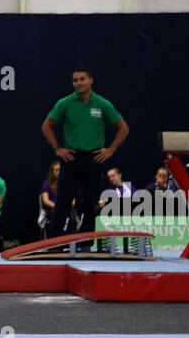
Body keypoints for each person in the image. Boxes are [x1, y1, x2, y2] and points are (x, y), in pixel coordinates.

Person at [41, 65, 129, 249]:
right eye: (75, 80)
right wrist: (58, 148)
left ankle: (86, 242)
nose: (79, 83)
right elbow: (47, 126)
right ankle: (54, 243)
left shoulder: (102, 104)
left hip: (94, 158)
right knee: (63, 202)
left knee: (90, 204)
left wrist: (110, 150)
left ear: (91, 80)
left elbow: (123, 127)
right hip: (71, 158)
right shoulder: (64, 103)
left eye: (82, 79)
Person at [38, 160, 60, 235]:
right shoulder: (47, 184)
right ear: (52, 172)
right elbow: (45, 200)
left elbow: (73, 200)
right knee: (56, 212)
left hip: (66, 207)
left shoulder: (67, 182)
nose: (58, 172)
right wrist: (57, 206)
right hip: (52, 208)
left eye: (60, 170)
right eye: (56, 170)